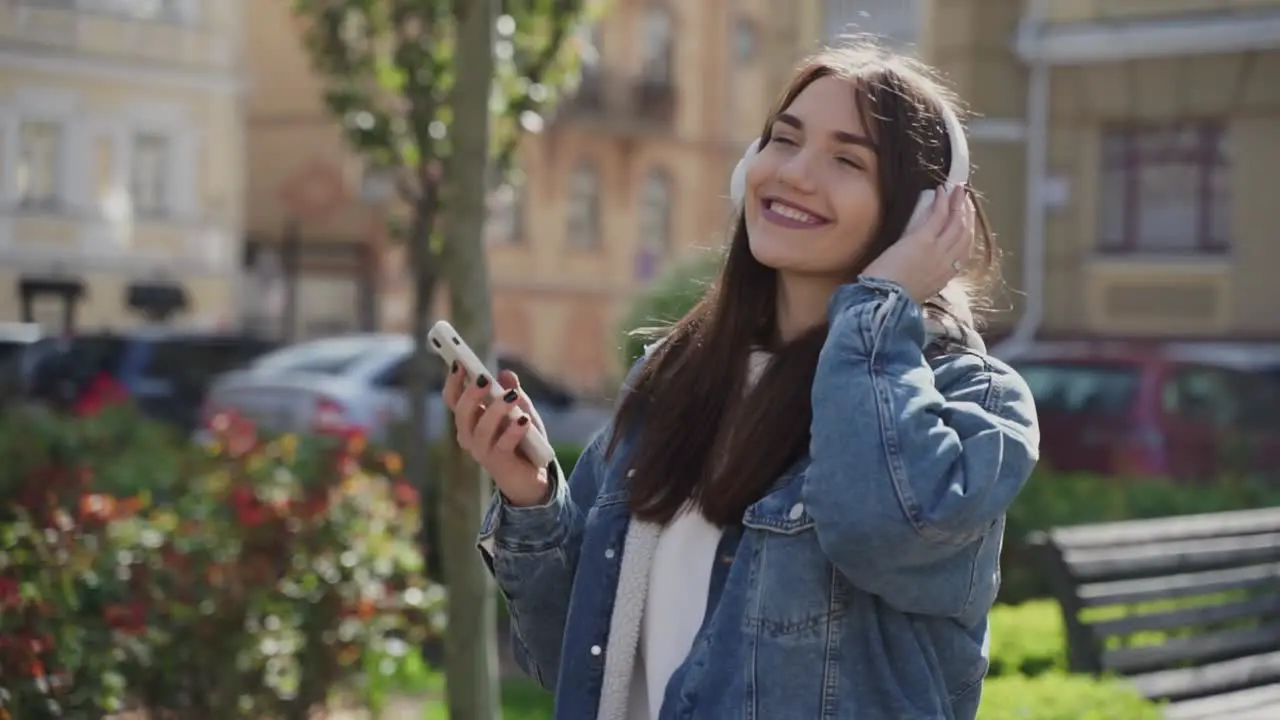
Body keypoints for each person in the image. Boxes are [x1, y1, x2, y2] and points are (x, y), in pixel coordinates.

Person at [444, 41, 1039, 720]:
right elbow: (571, 660)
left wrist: (880, 305)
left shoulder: (967, 399)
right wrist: (532, 497)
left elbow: (882, 531)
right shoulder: (677, 378)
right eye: (783, 141)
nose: (795, 174)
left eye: (847, 159)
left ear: (920, 215)